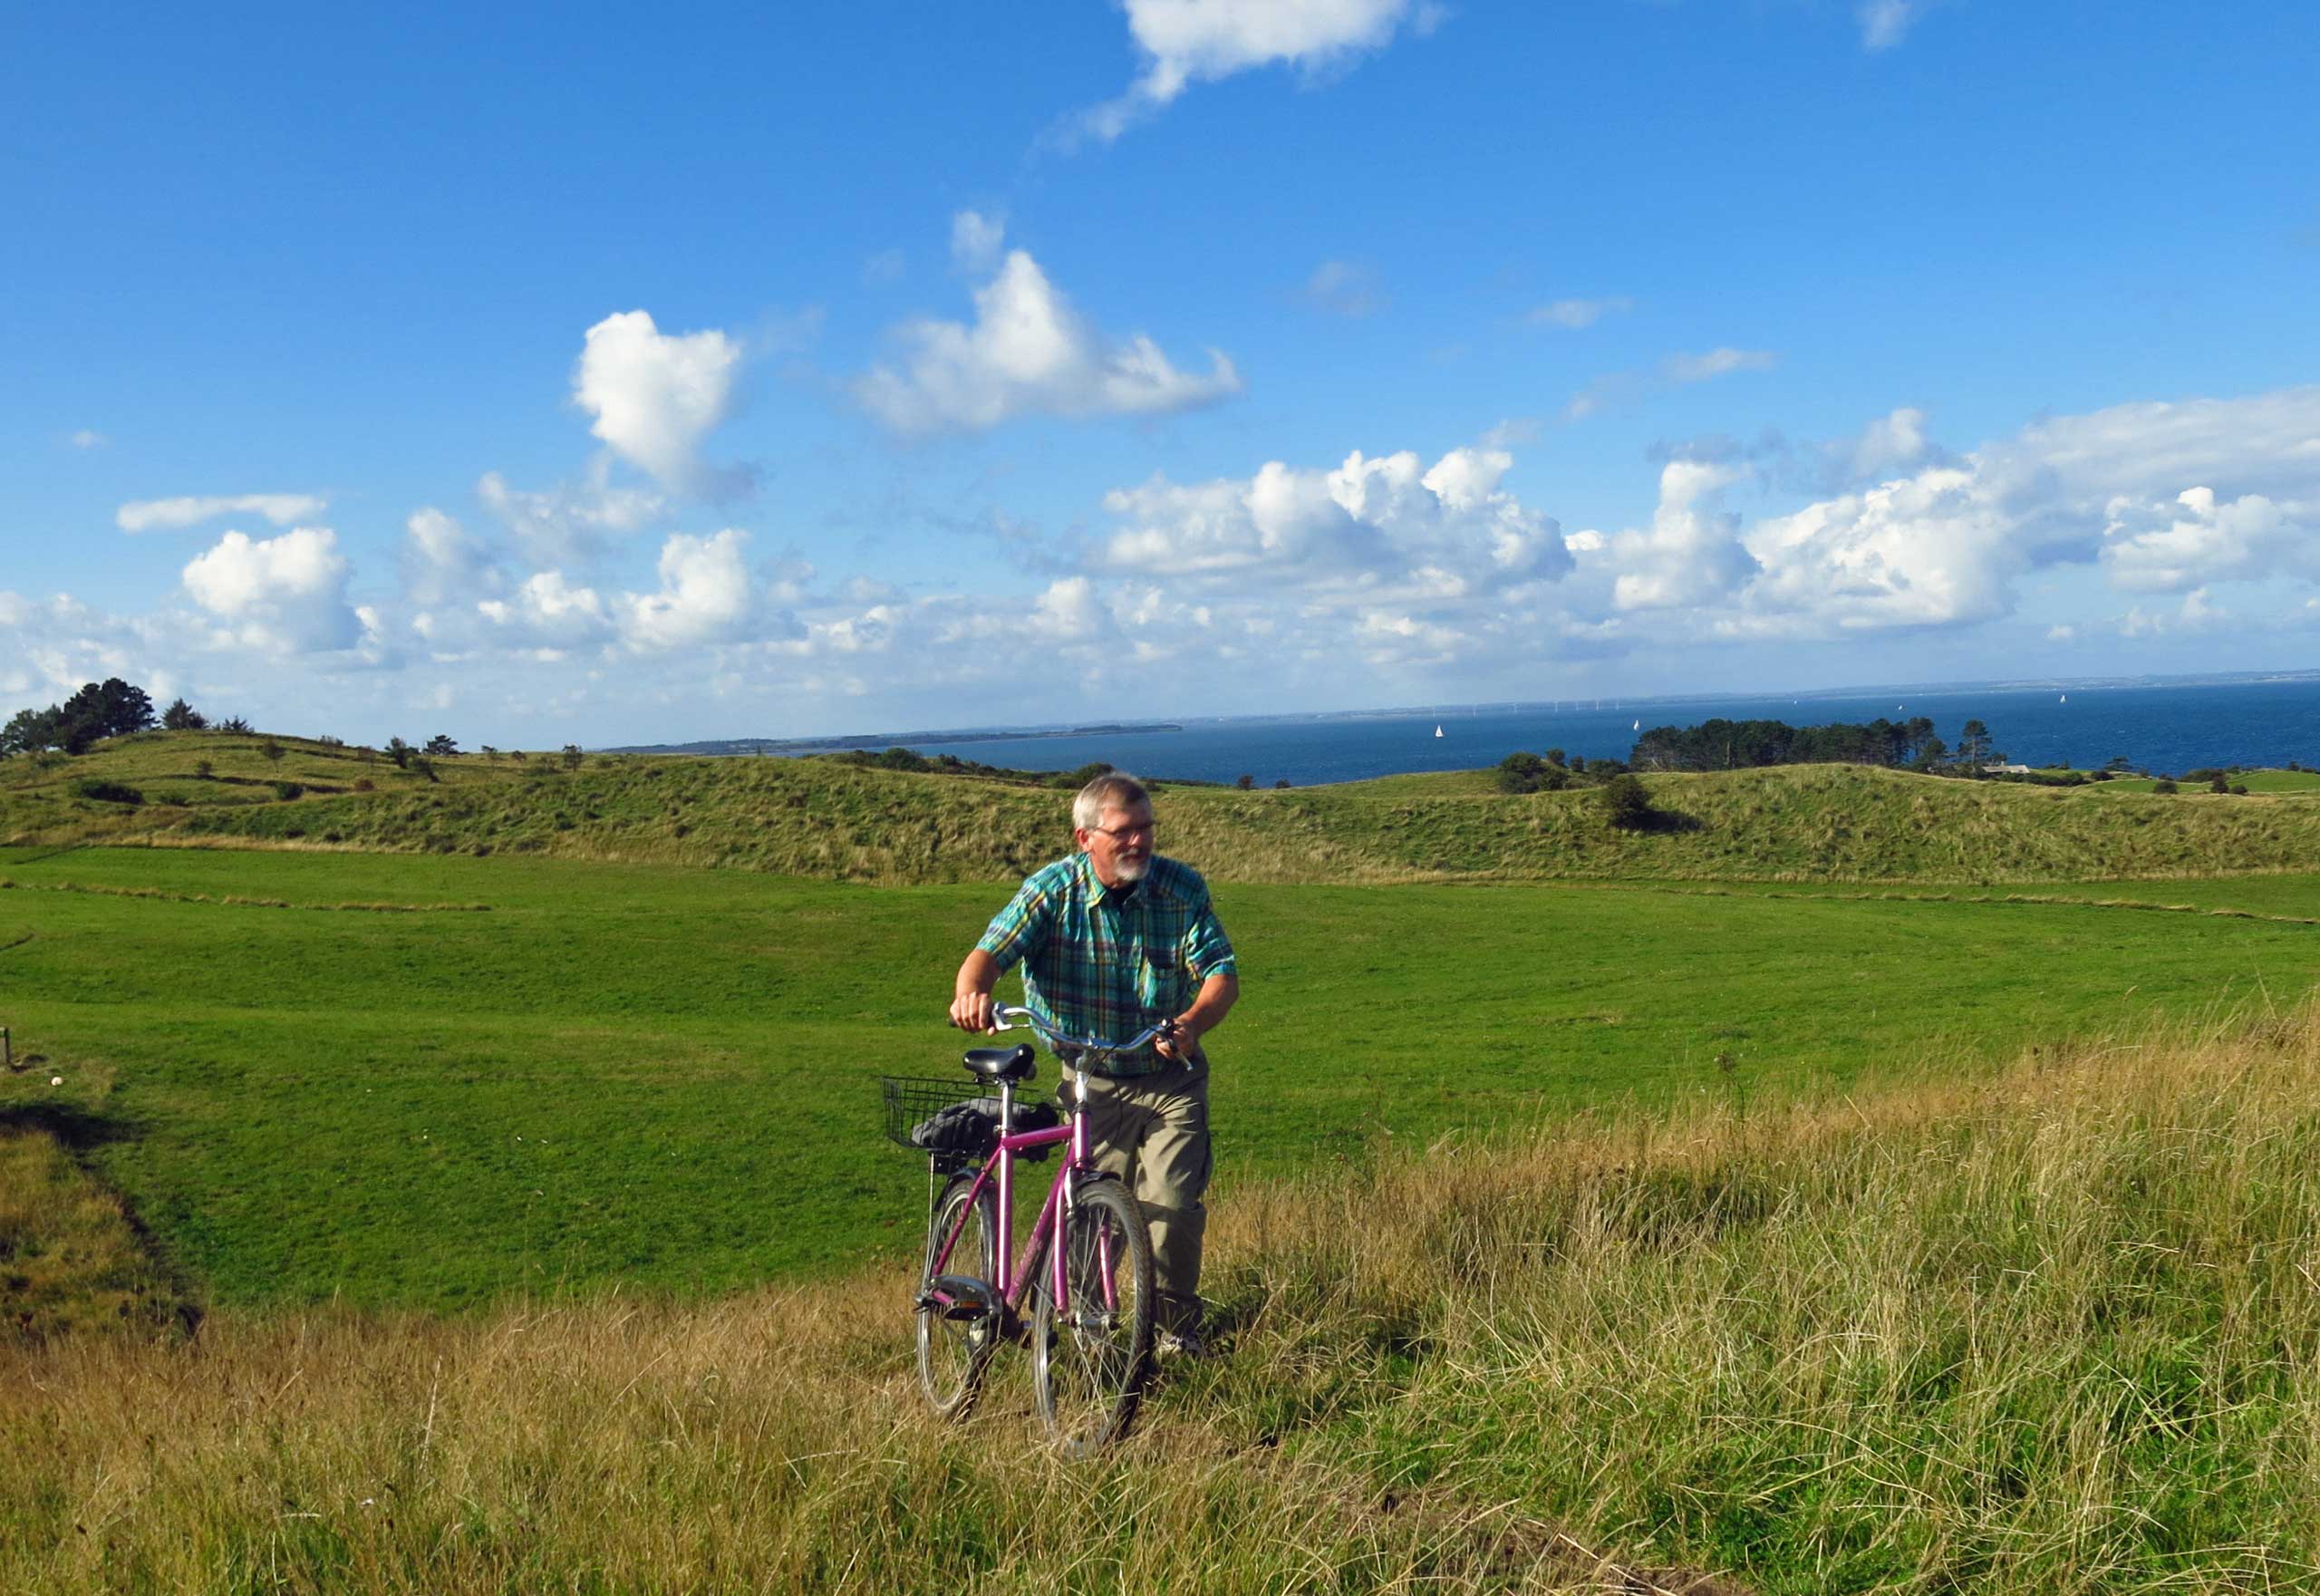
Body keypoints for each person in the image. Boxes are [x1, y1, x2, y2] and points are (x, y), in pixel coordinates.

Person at [949, 770, 1239, 1356]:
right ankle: (1088, 1331)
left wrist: (1191, 1024)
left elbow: (1221, 978)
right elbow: (987, 954)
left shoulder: (1181, 888)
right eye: (1123, 832)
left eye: (1146, 829)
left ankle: (1175, 1334)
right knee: (1090, 1213)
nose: (1139, 842)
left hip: (1167, 1077)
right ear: (1085, 838)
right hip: (1090, 1080)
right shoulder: (1052, 891)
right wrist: (971, 993)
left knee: (1172, 1208)